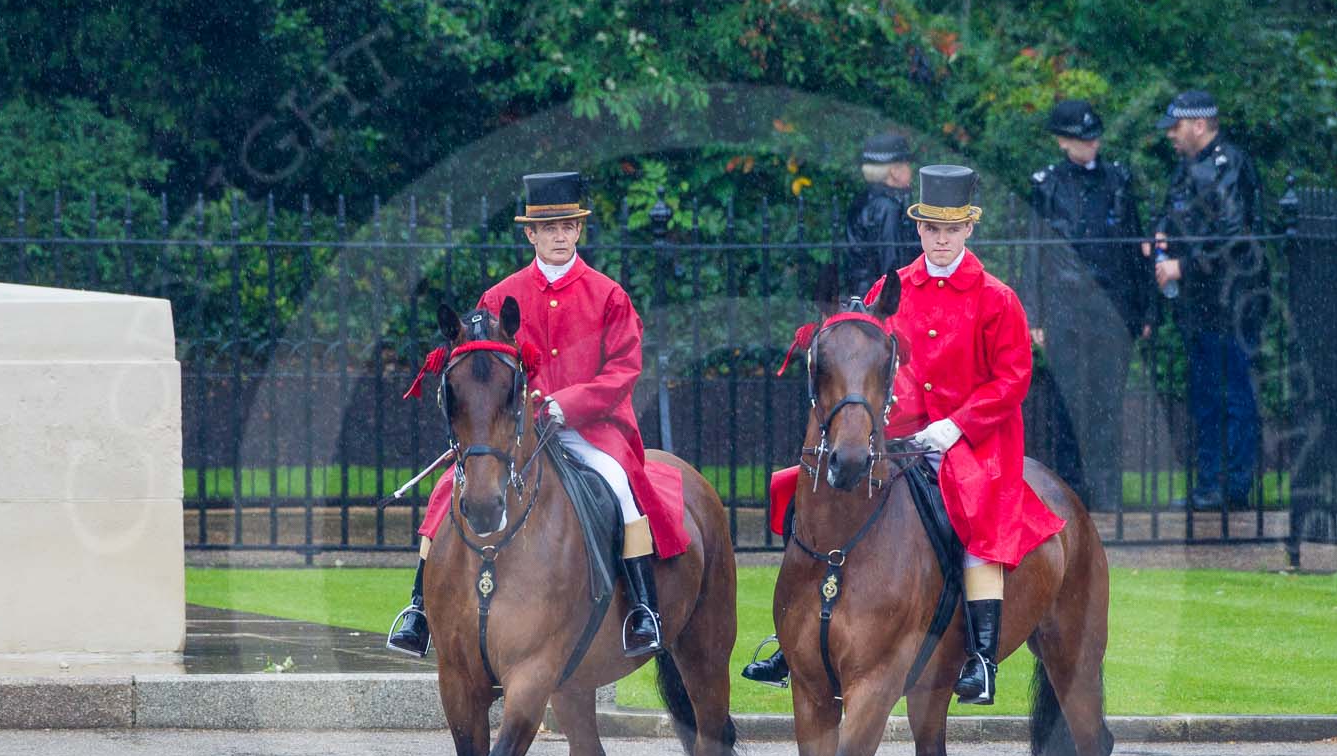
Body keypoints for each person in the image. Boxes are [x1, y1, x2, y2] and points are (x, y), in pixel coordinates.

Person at [744, 165, 1065, 704]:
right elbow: (874, 364)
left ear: (968, 230)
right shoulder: (889, 290)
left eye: (952, 229)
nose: (941, 240)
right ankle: (792, 637)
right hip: (897, 435)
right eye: (932, 229)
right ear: (918, 229)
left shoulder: (997, 298)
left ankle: (982, 658)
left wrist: (955, 425)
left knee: (976, 517)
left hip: (974, 441)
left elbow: (1012, 380)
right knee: (806, 496)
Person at [387, 171, 686, 659]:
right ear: (530, 233)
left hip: (590, 430)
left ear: (579, 230)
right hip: (513, 431)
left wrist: (567, 404)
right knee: (449, 488)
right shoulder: (498, 296)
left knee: (619, 487)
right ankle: (418, 608)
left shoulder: (610, 295)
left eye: (568, 226)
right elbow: (480, 370)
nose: (559, 235)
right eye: (549, 228)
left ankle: (641, 613)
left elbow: (624, 370)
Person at [1028, 98, 1152, 507]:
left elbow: (1135, 249)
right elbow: (1034, 251)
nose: (1091, 146)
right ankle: (1070, 489)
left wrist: (1144, 308)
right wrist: (1036, 313)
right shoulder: (1047, 185)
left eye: (1094, 137)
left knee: (1107, 401)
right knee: (1068, 401)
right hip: (1066, 306)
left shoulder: (1117, 180)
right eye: (1083, 139)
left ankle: (1106, 490)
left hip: (1111, 307)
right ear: (1064, 141)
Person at [1152, 89, 1268, 511]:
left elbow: (1234, 235)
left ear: (1199, 124)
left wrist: (1184, 265)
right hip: (1201, 304)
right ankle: (1209, 485)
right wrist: (1161, 240)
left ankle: (1233, 487)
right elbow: (1172, 215)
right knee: (1205, 397)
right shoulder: (1188, 169)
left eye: (1177, 126)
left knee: (1233, 395)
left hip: (1231, 302)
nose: (1171, 135)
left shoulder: (1227, 165)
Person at [840, 131, 921, 300]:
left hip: (865, 297)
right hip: (881, 304)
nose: (911, 171)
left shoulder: (865, 199)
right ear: (895, 172)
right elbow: (891, 264)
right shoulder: (887, 207)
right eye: (907, 165)